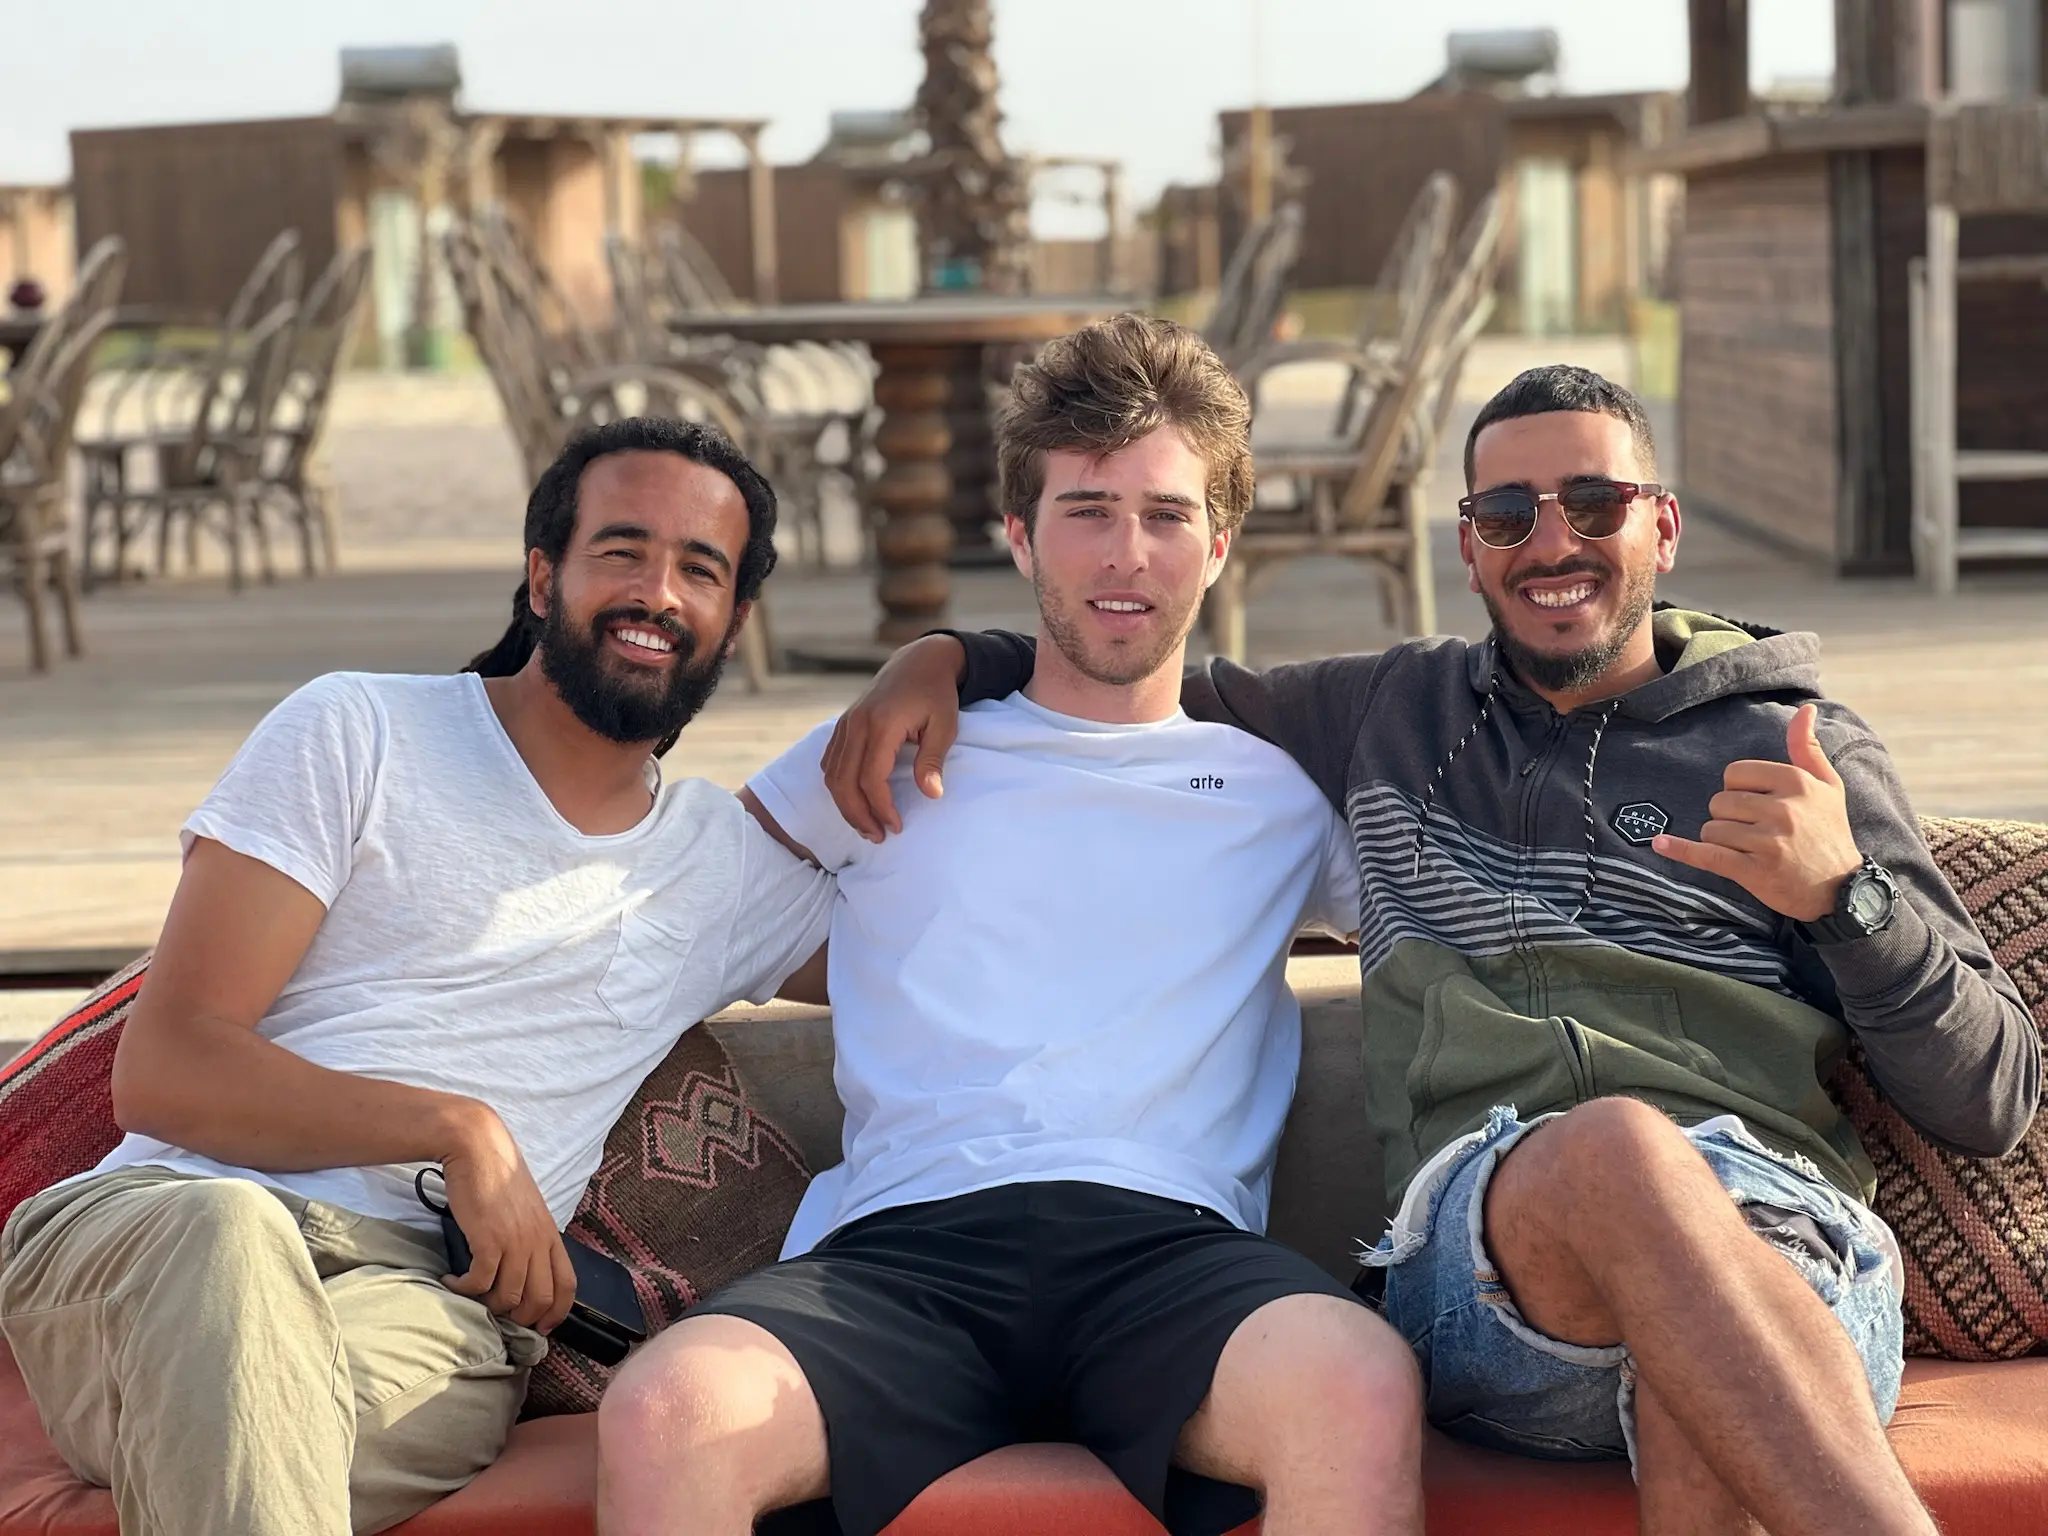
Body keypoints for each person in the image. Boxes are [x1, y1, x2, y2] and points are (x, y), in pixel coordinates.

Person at [820, 365, 2041, 1536]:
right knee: (1617, 1150)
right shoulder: (1386, 715)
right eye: (1506, 514)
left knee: (1699, 1354)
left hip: (1779, 1239)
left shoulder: (1794, 749)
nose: (1550, 542)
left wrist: (1843, 899)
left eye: (1593, 503)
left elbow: (1990, 1101)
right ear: (1468, 547)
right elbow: (1125, 661)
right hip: (1491, 1270)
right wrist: (943, 659)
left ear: (1661, 527)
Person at [597, 314, 1424, 1536]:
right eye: (1086, 510)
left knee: (1355, 1385)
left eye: (1164, 515)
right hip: (898, 1251)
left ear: (1218, 546)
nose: (1124, 554)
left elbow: (1449, 932)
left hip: (1168, 1248)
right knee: (669, 1412)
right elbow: (668, 903)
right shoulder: (888, 747)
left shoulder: (1276, 791)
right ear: (1019, 534)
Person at [0, 417, 837, 1536]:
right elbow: (166, 1070)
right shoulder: (360, 729)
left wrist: (948, 661)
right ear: (542, 577)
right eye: (621, 550)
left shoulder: (719, 867)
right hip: (162, 1229)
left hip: (427, 1310)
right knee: (230, 1249)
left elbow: (965, 940)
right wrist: (456, 1131)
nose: (657, 592)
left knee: (243, 1417)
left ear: (734, 621)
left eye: (700, 569)